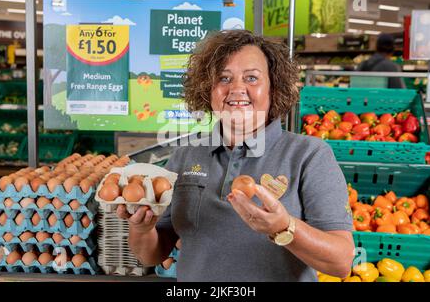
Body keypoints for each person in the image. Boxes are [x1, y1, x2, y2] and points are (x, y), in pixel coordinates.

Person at [117, 30, 355, 282]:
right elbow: (152, 254)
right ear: (208, 90)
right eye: (224, 78)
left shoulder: (309, 155)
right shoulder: (185, 156)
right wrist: (141, 228)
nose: (237, 88)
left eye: (252, 78)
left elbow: (341, 263)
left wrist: (284, 227)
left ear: (274, 87)